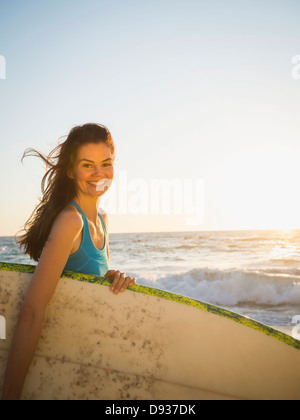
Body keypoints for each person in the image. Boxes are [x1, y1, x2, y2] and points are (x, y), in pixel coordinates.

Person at [1, 123, 136, 400]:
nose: (99, 173)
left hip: (84, 353)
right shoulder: (71, 221)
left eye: (106, 163)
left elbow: (85, 274)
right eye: (88, 165)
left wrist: (112, 276)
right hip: (58, 354)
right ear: (71, 170)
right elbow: (32, 311)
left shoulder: (102, 220)